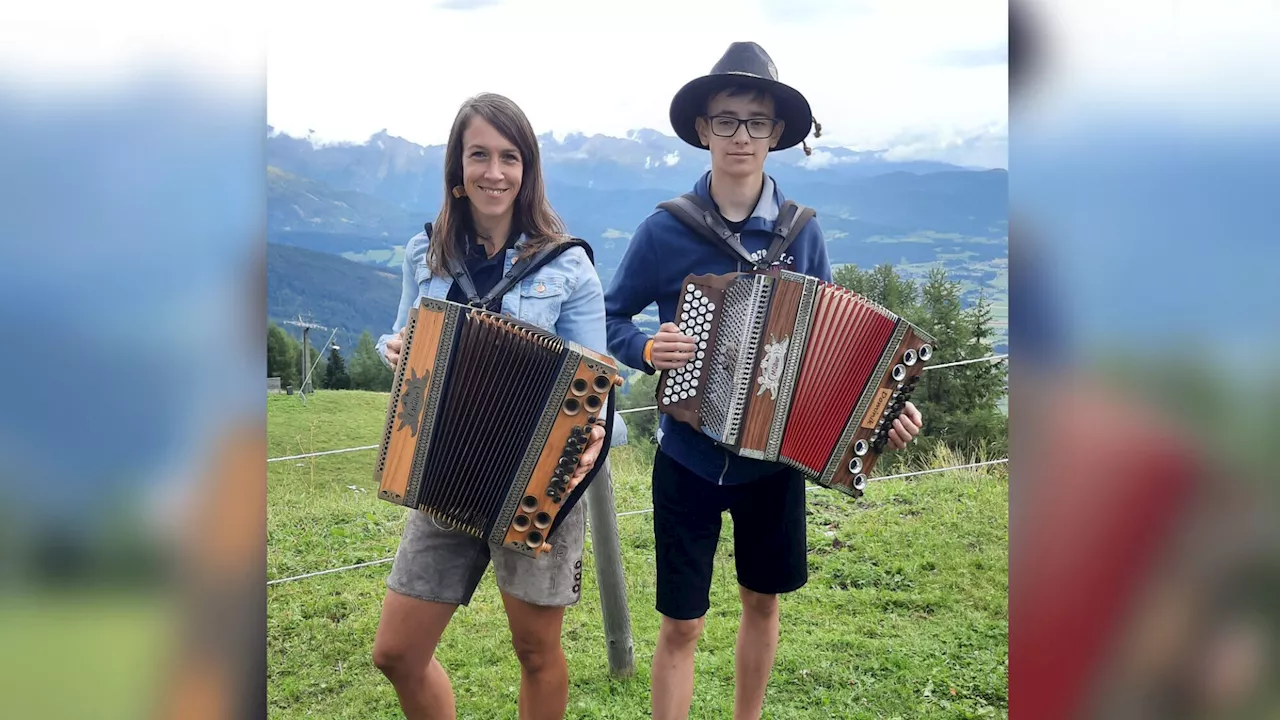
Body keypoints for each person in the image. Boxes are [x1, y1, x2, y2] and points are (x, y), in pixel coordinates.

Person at [604, 42, 924, 719]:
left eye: (755, 122)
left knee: (761, 601)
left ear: (776, 135)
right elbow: (610, 316)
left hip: (770, 467)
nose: (741, 136)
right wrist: (644, 348)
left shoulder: (801, 233)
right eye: (726, 120)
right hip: (686, 458)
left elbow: (842, 356)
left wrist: (883, 411)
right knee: (681, 625)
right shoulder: (666, 231)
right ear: (702, 129)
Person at [371, 92, 623, 720]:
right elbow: (407, 349)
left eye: (509, 157)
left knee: (535, 651)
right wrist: (400, 354)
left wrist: (595, 432)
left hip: (537, 486)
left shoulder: (567, 266)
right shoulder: (424, 254)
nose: (494, 172)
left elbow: (601, 393)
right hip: (443, 472)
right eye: (478, 155)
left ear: (527, 169)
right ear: (456, 169)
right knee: (396, 653)